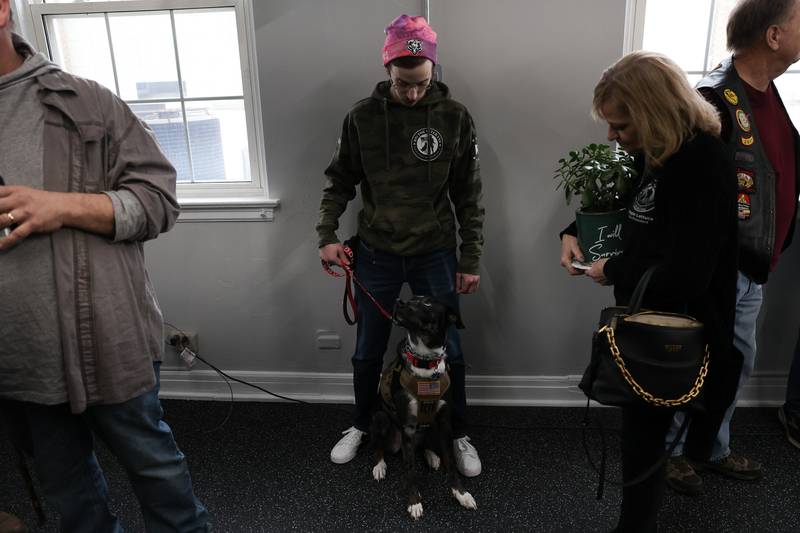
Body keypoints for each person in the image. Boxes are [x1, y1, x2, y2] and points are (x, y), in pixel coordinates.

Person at [0, 2, 209, 531]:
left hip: (109, 344)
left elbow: (159, 200)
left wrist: (61, 205)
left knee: (157, 473)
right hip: (20, 358)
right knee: (70, 495)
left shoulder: (85, 101)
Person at [560, 51, 739, 532]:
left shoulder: (704, 163)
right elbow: (628, 204)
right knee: (641, 442)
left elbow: (688, 274)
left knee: (644, 446)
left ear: (653, 113)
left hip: (676, 331)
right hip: (649, 319)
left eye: (620, 125)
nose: (612, 136)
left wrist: (612, 266)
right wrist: (572, 229)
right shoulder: (658, 151)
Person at [316, 14, 485, 477]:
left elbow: (468, 194)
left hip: (435, 251)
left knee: (451, 348)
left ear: (433, 71)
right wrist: (327, 236)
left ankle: (459, 432)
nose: (413, 94)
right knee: (368, 349)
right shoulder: (361, 117)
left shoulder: (453, 117)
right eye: (403, 84)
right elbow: (338, 183)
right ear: (387, 69)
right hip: (377, 252)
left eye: (422, 84)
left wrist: (469, 257)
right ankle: (362, 425)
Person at [664, 0, 800, 495]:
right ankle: (674, 454)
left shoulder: (768, 93)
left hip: (756, 265)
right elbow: (670, 178)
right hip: (721, 268)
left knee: (736, 361)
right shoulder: (715, 98)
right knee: (703, 361)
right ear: (772, 36)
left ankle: (710, 448)